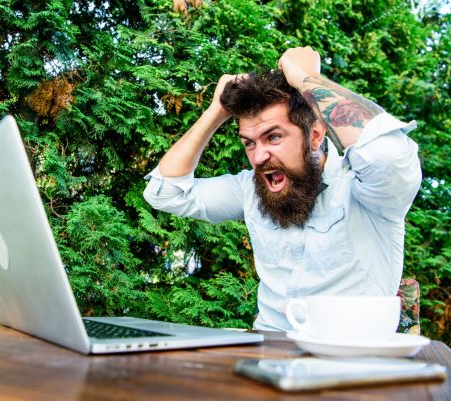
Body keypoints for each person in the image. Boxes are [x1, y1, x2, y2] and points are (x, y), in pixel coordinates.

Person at [143, 46, 422, 331]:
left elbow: (388, 154)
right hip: (269, 351)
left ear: (314, 136)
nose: (259, 156)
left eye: (273, 137)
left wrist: (304, 76)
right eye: (249, 143)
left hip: (351, 358)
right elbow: (165, 193)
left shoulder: (366, 189)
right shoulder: (249, 189)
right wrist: (217, 111)